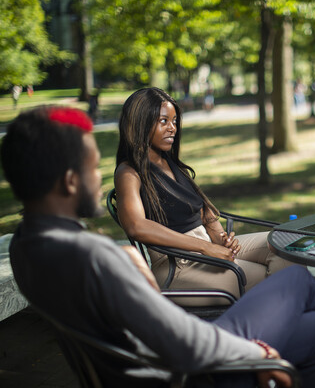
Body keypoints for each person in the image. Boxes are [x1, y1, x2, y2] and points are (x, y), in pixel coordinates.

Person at [2, 106, 315, 388]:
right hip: (191, 376)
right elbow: (185, 345)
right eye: (92, 168)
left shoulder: (26, 248)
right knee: (298, 285)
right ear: (70, 181)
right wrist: (255, 353)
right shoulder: (96, 258)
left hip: (146, 371)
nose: (98, 177)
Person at [114, 88, 293, 304]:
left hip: (206, 246)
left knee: (286, 246)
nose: (173, 128)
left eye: (174, 121)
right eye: (164, 121)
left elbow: (200, 208)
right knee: (271, 279)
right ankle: (267, 314)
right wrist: (205, 247)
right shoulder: (129, 172)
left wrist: (219, 237)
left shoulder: (170, 163)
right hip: (176, 265)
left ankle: (270, 310)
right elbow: (136, 226)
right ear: (141, 122)